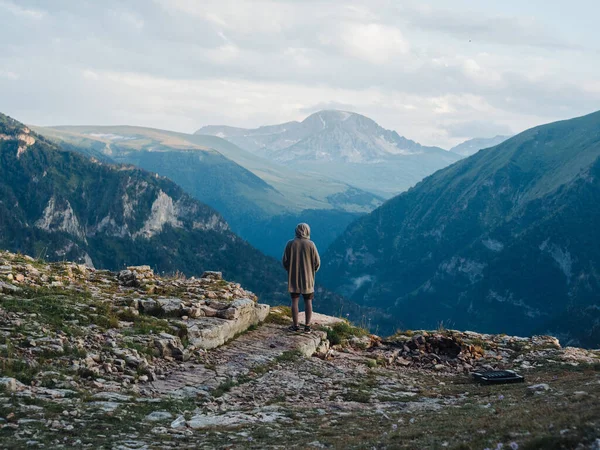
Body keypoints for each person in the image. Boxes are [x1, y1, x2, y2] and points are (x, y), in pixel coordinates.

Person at [282, 223, 321, 332]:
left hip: (294, 277)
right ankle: (307, 326)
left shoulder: (290, 244)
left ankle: (295, 326)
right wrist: (312, 271)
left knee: (294, 301)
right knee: (308, 301)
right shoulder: (311, 244)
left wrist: (290, 270)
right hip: (308, 279)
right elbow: (317, 262)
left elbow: (285, 261)